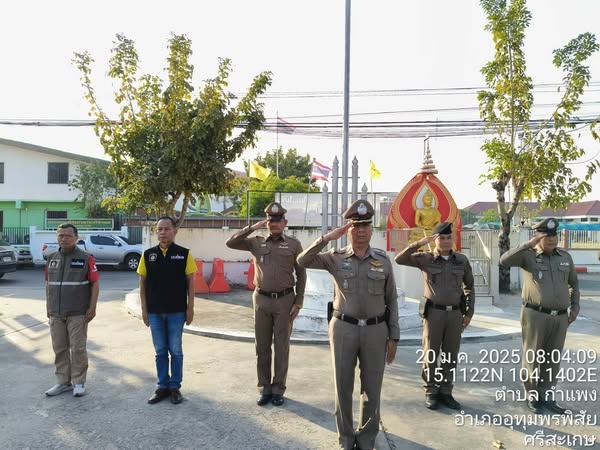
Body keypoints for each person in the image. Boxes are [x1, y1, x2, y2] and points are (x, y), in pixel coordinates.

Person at [297, 200, 399, 450]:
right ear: (348, 229)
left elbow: (392, 299)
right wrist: (327, 238)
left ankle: (366, 440)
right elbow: (302, 260)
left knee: (372, 388)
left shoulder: (383, 260)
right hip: (344, 328)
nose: (361, 230)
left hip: (376, 331)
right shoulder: (335, 257)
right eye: (355, 226)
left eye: (365, 225)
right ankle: (345, 438)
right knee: (342, 387)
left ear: (371, 229)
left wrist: (393, 336)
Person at [226, 202, 306, 407]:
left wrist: (299, 301)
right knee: (262, 346)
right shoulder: (256, 242)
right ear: (266, 222)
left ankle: (278, 389)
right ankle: (265, 388)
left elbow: (301, 273)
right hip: (261, 299)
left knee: (281, 347)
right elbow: (231, 243)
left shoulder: (294, 245)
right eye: (270, 220)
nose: (274, 223)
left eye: (278, 220)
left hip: (285, 300)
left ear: (285, 222)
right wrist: (252, 227)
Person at [499, 217, 579, 414]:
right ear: (537, 237)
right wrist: (528, 244)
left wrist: (575, 305)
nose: (551, 239)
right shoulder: (528, 256)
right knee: (533, 357)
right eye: (546, 236)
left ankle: (547, 396)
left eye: (554, 235)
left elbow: (573, 283)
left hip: (560, 317)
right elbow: (504, 260)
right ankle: (532, 396)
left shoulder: (565, 257)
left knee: (552, 358)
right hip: (535, 315)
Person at [394, 221, 474, 411]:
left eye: (448, 237)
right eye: (441, 238)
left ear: (452, 238)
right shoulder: (426, 259)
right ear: (435, 239)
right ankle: (431, 391)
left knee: (450, 355)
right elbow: (399, 259)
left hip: (455, 314)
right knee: (431, 353)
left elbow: (469, 286)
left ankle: (446, 392)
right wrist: (420, 243)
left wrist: (469, 312)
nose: (445, 241)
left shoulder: (461, 260)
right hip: (434, 314)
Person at [138, 216, 197, 405]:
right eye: (159, 229)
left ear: (175, 231)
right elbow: (142, 283)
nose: (162, 233)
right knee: (160, 351)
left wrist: (190, 308)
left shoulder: (184, 254)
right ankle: (162, 386)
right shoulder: (148, 255)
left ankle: (174, 387)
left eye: (166, 229)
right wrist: (144, 310)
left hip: (176, 312)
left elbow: (191, 282)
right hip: (154, 312)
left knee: (176, 350)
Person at [45, 223, 99, 398]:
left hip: (78, 312)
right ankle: (63, 382)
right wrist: (48, 308)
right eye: (61, 235)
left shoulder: (86, 258)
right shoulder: (51, 258)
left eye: (68, 235)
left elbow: (95, 283)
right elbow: (48, 284)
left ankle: (78, 382)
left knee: (77, 349)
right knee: (59, 349)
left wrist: (92, 308)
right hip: (56, 313)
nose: (64, 239)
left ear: (76, 238)